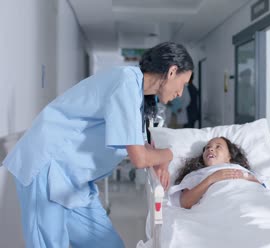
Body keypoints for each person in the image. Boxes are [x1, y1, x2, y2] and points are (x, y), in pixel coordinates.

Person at [2, 42, 193, 248]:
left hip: (75, 181)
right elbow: (140, 158)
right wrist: (169, 155)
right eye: (183, 84)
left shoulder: (140, 97)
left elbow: (146, 146)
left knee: (108, 244)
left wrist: (160, 161)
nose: (180, 94)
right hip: (48, 167)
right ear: (172, 71)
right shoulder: (126, 83)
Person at [174, 137, 261, 209]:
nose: (210, 149)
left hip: (250, 203)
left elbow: (263, 190)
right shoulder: (197, 175)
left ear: (229, 156)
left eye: (218, 147)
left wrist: (248, 178)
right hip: (223, 206)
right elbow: (185, 203)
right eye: (207, 147)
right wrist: (211, 179)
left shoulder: (241, 170)